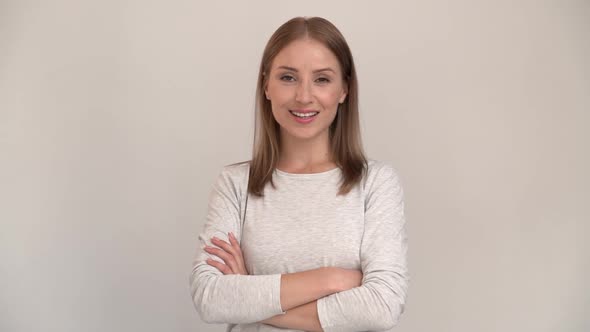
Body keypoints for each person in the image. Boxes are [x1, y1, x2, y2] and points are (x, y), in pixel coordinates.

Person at [189, 16, 408, 332]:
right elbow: (209, 297)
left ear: (344, 89)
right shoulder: (236, 184)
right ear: (266, 85)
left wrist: (251, 295)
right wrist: (330, 278)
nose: (304, 96)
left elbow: (382, 307)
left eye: (322, 79)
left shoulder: (376, 183)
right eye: (288, 77)